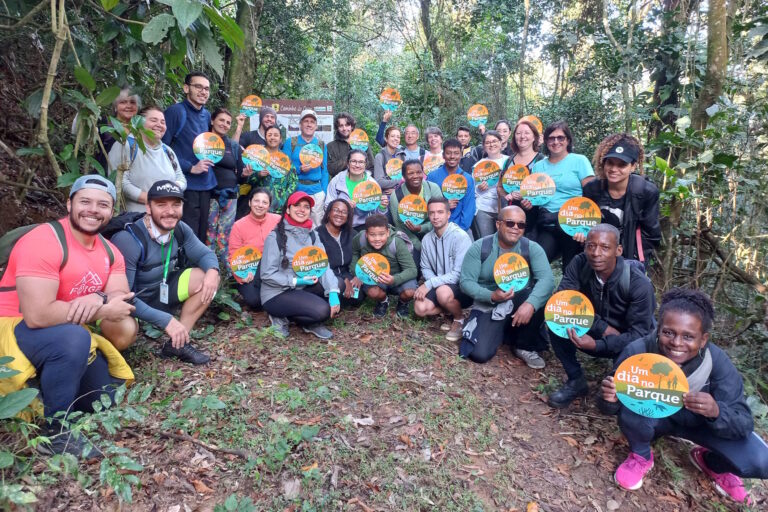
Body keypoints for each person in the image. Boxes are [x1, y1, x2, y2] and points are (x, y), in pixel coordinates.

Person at [0, 175, 136, 457]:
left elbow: (120, 299)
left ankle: (42, 389)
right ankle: (57, 432)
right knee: (75, 338)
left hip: (58, 326)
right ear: (69, 203)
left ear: (111, 212)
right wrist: (101, 306)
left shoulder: (110, 252)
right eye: (85, 201)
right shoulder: (44, 240)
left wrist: (97, 298)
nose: (93, 210)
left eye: (103, 204)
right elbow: (37, 315)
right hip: (13, 323)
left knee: (105, 397)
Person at [602, 289, 768, 504]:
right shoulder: (638, 352)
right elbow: (612, 405)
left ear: (703, 339)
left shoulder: (717, 362)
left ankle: (711, 462)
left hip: (701, 424)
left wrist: (716, 411)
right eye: (668, 332)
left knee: (761, 461)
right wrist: (609, 399)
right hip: (655, 418)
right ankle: (641, 455)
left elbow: (743, 422)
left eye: (688, 336)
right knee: (633, 405)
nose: (676, 343)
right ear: (658, 329)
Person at [110, 180, 220, 365]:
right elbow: (124, 297)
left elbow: (205, 254)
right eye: (161, 205)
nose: (170, 211)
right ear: (148, 207)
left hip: (161, 291)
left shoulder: (179, 229)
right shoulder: (128, 240)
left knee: (206, 276)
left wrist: (213, 272)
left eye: (176, 204)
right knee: (124, 334)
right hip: (132, 299)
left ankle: (178, 343)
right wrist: (167, 320)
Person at [547, 224, 656, 409]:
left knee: (608, 407)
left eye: (605, 247)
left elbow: (639, 334)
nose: (596, 253)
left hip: (627, 341)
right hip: (596, 329)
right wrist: (602, 328)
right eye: (591, 246)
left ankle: (619, 383)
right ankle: (576, 380)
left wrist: (598, 345)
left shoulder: (639, 284)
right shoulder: (580, 263)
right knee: (556, 319)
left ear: (618, 250)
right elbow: (563, 301)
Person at [460, 205, 555, 367]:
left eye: (521, 225)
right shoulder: (480, 247)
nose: (516, 228)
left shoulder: (531, 248)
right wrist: (491, 296)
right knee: (479, 354)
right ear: (498, 224)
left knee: (539, 296)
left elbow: (547, 280)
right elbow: (466, 283)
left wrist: (530, 305)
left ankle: (523, 345)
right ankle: (504, 331)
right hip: (488, 302)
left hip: (518, 298)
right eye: (510, 223)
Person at [259, 191, 340, 339]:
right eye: (297, 205)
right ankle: (280, 316)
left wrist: (333, 291)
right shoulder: (275, 237)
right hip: (277, 292)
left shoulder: (312, 235)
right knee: (322, 311)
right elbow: (266, 274)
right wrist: (296, 281)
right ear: (288, 210)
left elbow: (323, 265)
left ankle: (305, 318)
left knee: (338, 285)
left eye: (306, 207)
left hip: (302, 287)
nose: (302, 210)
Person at [584, 133, 661, 266]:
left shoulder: (646, 192)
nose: (614, 169)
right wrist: (582, 235)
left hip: (630, 257)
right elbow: (584, 222)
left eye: (622, 165)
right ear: (604, 163)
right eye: (610, 163)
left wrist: (631, 256)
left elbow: (651, 234)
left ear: (633, 166)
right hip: (597, 254)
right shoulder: (592, 189)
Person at [529, 120, 595, 270]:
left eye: (560, 138)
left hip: (573, 225)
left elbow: (592, 196)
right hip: (547, 224)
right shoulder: (539, 166)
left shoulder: (579, 161)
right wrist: (529, 203)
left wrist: (586, 228)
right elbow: (535, 196)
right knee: (537, 264)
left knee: (571, 269)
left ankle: (569, 292)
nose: (556, 142)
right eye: (551, 138)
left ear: (568, 140)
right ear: (545, 141)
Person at [162, 71, 215, 242]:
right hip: (186, 184)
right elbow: (161, 148)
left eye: (206, 88)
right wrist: (190, 167)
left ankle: (197, 268)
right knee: (186, 233)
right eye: (198, 86)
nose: (203, 92)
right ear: (186, 88)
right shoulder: (175, 112)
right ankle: (183, 267)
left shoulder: (207, 115)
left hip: (206, 185)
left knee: (201, 233)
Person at [414, 197, 473, 342]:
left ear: (448, 214)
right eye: (432, 213)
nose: (435, 216)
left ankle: (459, 318)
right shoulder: (427, 239)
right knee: (419, 308)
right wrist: (433, 283)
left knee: (442, 292)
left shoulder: (460, 237)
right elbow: (425, 267)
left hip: (462, 287)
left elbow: (458, 274)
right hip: (440, 284)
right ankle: (449, 311)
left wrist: (429, 284)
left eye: (440, 212)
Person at [108, 106, 186, 213]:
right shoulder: (126, 145)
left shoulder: (167, 151)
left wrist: (170, 191)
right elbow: (120, 182)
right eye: (153, 120)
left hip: (166, 216)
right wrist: (153, 198)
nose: (159, 125)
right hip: (134, 217)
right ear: (139, 123)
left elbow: (180, 177)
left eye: (163, 122)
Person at [348, 214, 418, 318]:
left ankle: (403, 303)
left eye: (381, 234)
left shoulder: (396, 243)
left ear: (388, 233)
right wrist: (357, 274)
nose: (377, 239)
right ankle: (383, 301)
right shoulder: (359, 239)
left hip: (397, 277)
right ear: (366, 234)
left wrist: (394, 279)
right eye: (372, 235)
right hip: (375, 277)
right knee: (373, 292)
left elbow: (412, 270)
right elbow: (355, 253)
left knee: (410, 292)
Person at [207, 108, 249, 265]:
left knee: (225, 235)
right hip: (210, 195)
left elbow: (240, 175)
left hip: (230, 196)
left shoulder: (232, 146)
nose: (224, 124)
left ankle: (225, 273)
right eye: (221, 120)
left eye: (228, 122)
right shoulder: (204, 142)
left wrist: (245, 174)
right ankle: (208, 268)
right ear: (212, 121)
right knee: (209, 234)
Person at [227, 188, 281, 310]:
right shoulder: (239, 225)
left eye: (264, 202)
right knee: (254, 300)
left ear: (269, 205)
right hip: (250, 268)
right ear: (250, 202)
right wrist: (241, 276)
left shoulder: (278, 220)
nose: (260, 205)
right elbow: (234, 254)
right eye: (256, 201)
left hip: (273, 265)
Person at [388, 159, 442, 262]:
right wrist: (420, 246)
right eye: (411, 173)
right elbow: (400, 226)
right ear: (404, 176)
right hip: (409, 236)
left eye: (418, 172)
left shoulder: (432, 188)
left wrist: (421, 228)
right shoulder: (396, 196)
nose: (416, 176)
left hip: (434, 230)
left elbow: (440, 219)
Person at [282, 109, 328, 226]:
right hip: (296, 189)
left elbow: (325, 171)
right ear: (300, 124)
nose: (309, 124)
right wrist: (299, 170)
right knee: (295, 224)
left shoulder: (321, 145)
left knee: (317, 226)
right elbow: (283, 168)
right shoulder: (290, 143)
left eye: (312, 122)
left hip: (317, 192)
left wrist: (324, 192)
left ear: (316, 126)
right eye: (306, 121)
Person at [315, 199, 363, 307]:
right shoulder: (317, 234)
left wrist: (358, 276)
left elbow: (362, 255)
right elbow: (319, 265)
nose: (340, 214)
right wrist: (343, 280)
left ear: (348, 216)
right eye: (336, 210)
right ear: (328, 213)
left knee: (359, 296)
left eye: (344, 212)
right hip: (325, 275)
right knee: (340, 285)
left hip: (347, 273)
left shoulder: (352, 233)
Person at [326, 150, 389, 230]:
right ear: (348, 163)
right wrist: (343, 207)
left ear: (365, 165)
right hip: (338, 224)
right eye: (353, 161)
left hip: (362, 226)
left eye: (361, 162)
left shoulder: (372, 185)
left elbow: (376, 215)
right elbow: (327, 205)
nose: (357, 165)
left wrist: (382, 207)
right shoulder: (337, 180)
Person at [243, 125, 298, 217]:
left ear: (280, 139)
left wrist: (284, 198)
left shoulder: (286, 159)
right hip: (259, 205)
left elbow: (294, 181)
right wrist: (258, 175)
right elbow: (247, 181)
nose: (272, 137)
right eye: (270, 135)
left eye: (276, 135)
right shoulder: (257, 156)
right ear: (265, 138)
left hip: (279, 207)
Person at [427, 139, 476, 233]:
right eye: (448, 153)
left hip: (459, 228)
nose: (452, 156)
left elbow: (469, 208)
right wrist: (444, 206)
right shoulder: (432, 176)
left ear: (461, 155)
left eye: (456, 153)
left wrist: (461, 230)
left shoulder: (468, 179)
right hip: (436, 227)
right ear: (443, 155)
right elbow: (427, 202)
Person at [497, 119, 544, 212]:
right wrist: (507, 195)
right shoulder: (509, 160)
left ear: (534, 137)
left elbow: (547, 189)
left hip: (535, 215)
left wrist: (530, 199)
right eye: (518, 133)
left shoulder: (541, 160)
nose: (522, 136)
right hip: (511, 214)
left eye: (527, 133)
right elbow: (499, 187)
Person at [472, 130, 510, 239]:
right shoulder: (478, 166)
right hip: (483, 209)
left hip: (505, 208)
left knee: (505, 242)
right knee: (486, 242)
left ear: (500, 143)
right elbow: (473, 190)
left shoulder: (509, 161)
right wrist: (479, 188)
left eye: (494, 141)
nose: (491, 144)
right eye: (488, 142)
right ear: (483, 146)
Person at [95, 88, 140, 170]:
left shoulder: (141, 128)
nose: (129, 106)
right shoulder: (104, 123)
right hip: (105, 175)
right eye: (123, 102)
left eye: (132, 102)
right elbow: (78, 131)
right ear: (115, 106)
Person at [327, 113, 375, 177]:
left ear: (352, 126)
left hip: (361, 182)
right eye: (341, 126)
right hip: (340, 184)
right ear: (337, 128)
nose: (344, 128)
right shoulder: (331, 146)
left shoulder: (362, 143)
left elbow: (371, 166)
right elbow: (331, 169)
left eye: (347, 125)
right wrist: (350, 157)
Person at [372, 125, 406, 195]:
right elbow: (379, 181)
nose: (396, 139)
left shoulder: (402, 156)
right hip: (386, 197)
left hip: (401, 194)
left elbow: (407, 178)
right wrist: (401, 181)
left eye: (398, 137)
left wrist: (396, 189)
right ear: (386, 139)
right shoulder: (380, 157)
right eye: (392, 136)